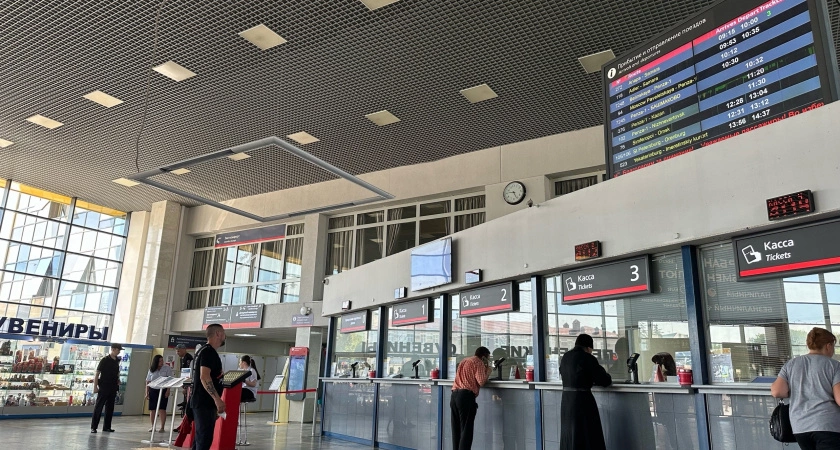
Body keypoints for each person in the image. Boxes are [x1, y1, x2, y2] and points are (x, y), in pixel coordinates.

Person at [771, 327, 840, 449]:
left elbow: (777, 391)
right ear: (828, 346)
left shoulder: (791, 364)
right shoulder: (834, 366)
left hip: (800, 427)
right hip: (827, 425)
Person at [559, 334, 612, 450]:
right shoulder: (587, 358)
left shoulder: (565, 357)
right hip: (582, 401)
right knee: (587, 435)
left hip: (566, 401)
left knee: (569, 435)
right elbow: (604, 380)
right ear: (588, 347)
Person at [191, 324, 227, 450]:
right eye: (223, 333)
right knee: (204, 440)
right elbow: (204, 377)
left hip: (203, 402)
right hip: (204, 403)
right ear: (218, 334)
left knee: (200, 439)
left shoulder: (203, 351)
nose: (224, 336)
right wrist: (217, 399)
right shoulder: (208, 352)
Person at [450, 346, 493, 450]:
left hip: (454, 395)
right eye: (488, 358)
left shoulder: (464, 360)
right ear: (483, 357)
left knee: (456, 430)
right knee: (466, 430)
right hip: (465, 397)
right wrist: (488, 371)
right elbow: (481, 381)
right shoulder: (478, 362)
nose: (488, 361)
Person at [91, 343, 123, 433]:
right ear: (113, 349)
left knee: (110, 407)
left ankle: (107, 426)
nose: (119, 352)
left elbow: (117, 373)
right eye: (118, 350)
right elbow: (97, 374)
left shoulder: (117, 360)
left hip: (113, 386)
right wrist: (95, 387)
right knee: (99, 406)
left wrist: (118, 380)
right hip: (104, 386)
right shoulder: (105, 360)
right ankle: (94, 427)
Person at [146, 354, 174, 432]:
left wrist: (168, 390)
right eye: (160, 361)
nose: (162, 362)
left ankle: (162, 427)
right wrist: (147, 392)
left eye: (162, 360)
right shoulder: (151, 369)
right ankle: (153, 426)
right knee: (152, 409)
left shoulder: (167, 368)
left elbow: (170, 380)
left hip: (163, 390)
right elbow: (148, 381)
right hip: (153, 390)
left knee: (162, 409)